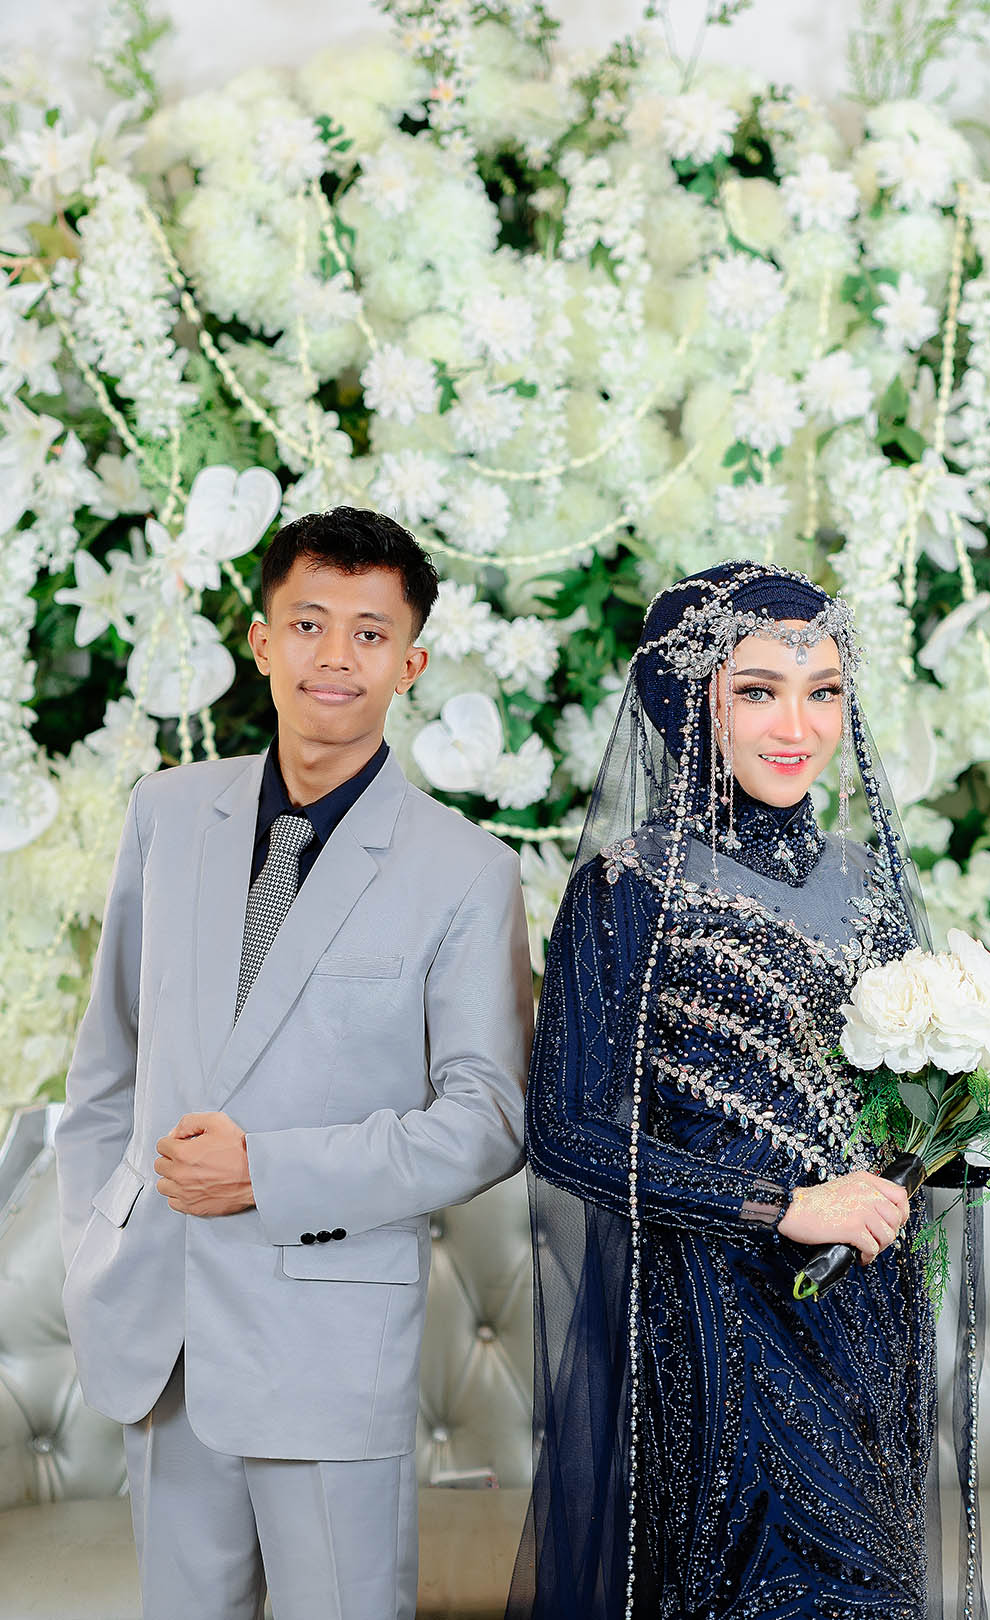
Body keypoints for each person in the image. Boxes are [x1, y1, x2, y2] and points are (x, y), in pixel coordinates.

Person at [55, 505, 534, 1620]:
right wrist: (96, 1240)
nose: (336, 656)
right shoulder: (168, 814)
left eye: (370, 633)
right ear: (262, 641)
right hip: (159, 1323)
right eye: (309, 624)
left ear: (410, 664)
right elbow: (107, 1063)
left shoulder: (468, 871)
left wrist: (267, 1173)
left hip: (328, 1338)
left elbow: (489, 1120)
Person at [508, 561, 986, 1620]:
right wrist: (779, 1207)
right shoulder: (628, 888)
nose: (798, 726)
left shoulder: (868, 882)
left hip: (865, 1319)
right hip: (718, 1322)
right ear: (694, 702)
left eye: (824, 691)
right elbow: (565, 1131)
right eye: (759, 690)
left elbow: (892, 1120)